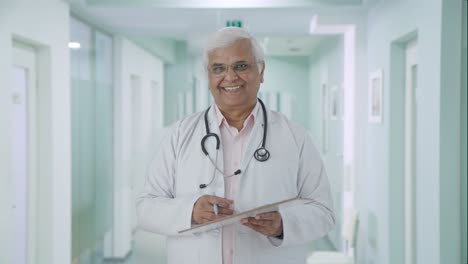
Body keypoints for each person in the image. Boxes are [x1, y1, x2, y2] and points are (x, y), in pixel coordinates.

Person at [136, 27, 335, 264]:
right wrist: (190, 211)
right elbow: (146, 208)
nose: (230, 77)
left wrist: (283, 224)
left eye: (241, 66)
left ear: (261, 71)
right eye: (218, 68)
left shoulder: (295, 136)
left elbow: (323, 212)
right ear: (209, 78)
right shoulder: (179, 134)